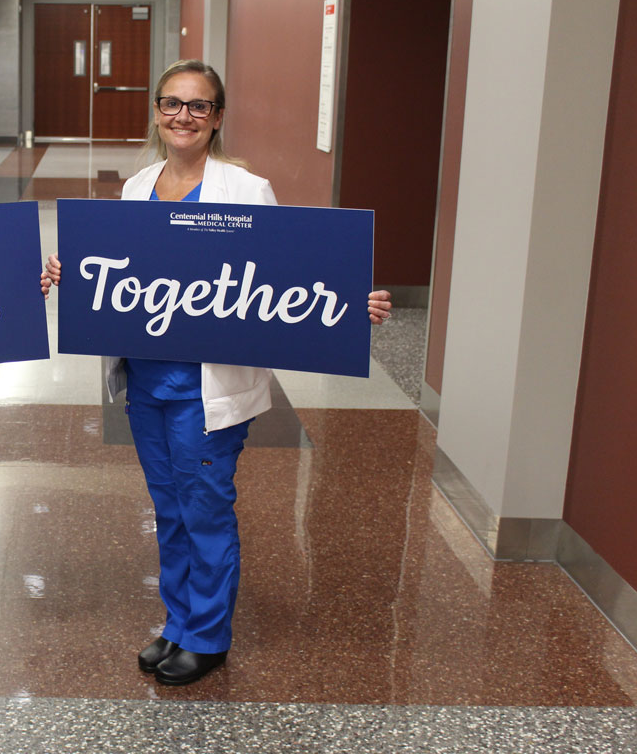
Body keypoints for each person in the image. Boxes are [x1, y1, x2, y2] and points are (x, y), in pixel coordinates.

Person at [41, 60, 392, 686]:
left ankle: (207, 635)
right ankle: (178, 622)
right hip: (147, 382)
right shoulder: (137, 186)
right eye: (172, 103)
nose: (183, 116)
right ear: (155, 111)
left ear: (217, 117)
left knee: (204, 508)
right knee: (169, 508)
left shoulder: (245, 190)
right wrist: (77, 277)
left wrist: (350, 304)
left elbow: (290, 274)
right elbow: (119, 271)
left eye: (198, 106)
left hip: (209, 387)